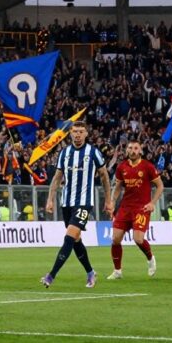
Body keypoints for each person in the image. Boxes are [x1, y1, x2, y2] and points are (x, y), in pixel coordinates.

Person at [41, 121, 110, 288]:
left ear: (86, 134)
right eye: (75, 132)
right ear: (70, 134)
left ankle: (51, 275)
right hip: (67, 203)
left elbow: (104, 176)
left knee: (69, 238)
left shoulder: (93, 152)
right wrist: (50, 199)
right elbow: (57, 178)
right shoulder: (64, 153)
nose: (78, 134)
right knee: (76, 240)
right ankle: (90, 272)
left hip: (84, 203)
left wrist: (108, 199)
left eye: (81, 131)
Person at [106, 139, 162, 280]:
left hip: (141, 208)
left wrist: (152, 203)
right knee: (115, 239)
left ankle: (150, 259)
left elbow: (160, 186)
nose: (132, 151)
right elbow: (118, 186)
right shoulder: (122, 167)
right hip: (125, 207)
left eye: (136, 148)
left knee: (138, 239)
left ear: (141, 151)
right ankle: (117, 271)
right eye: (130, 148)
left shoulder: (148, 167)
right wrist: (112, 202)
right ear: (127, 151)